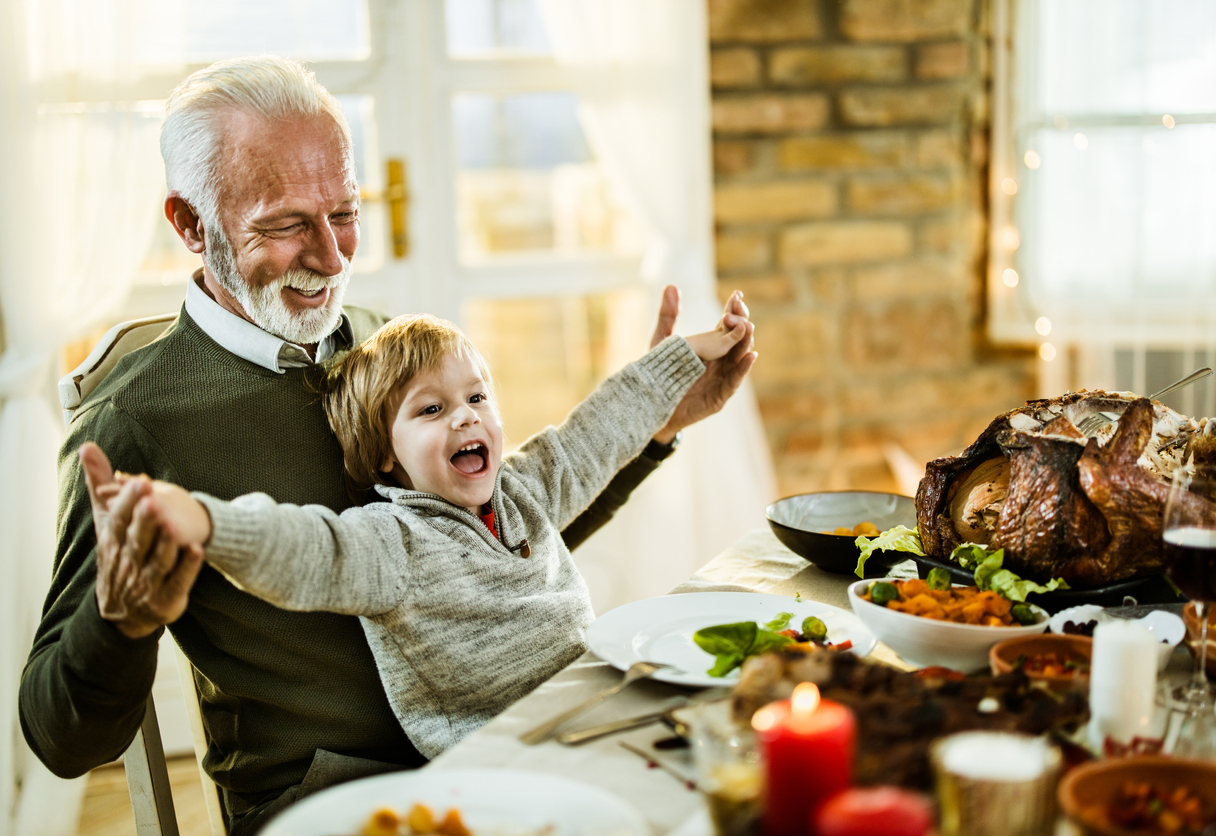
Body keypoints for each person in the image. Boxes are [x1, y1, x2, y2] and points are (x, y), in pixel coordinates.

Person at [19, 55, 755, 835]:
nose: (333, 260)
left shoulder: (381, 345)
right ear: (191, 224)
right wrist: (121, 623)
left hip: (508, 741)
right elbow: (62, 738)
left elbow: (486, 544)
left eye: (344, 213)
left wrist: (657, 423)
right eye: (286, 224)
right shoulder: (134, 420)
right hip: (338, 799)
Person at [80, 309, 746, 759]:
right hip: (501, 767)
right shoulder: (390, 544)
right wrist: (204, 519)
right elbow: (306, 549)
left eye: (477, 398)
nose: (464, 418)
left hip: (596, 719)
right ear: (382, 456)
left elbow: (597, 431)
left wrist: (680, 359)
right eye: (431, 409)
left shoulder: (525, 488)